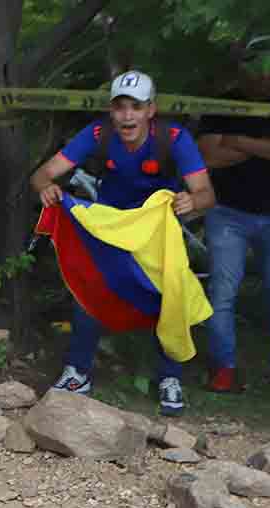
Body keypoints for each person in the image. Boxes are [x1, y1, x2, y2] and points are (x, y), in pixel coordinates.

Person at [30, 69, 216, 416]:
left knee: (168, 293)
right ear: (111, 111)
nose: (127, 115)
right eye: (119, 107)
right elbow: (43, 173)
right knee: (91, 288)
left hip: (157, 231)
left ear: (151, 110)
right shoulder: (98, 134)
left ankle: (170, 378)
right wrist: (46, 187)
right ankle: (78, 371)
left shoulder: (173, 137)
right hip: (110, 224)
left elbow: (207, 193)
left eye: (136, 106)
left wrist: (193, 201)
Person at [195, 37, 270, 397]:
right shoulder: (222, 102)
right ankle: (224, 367)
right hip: (226, 213)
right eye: (255, 65)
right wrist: (266, 147)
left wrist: (238, 142)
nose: (264, 74)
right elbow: (208, 156)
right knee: (222, 292)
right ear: (243, 67)